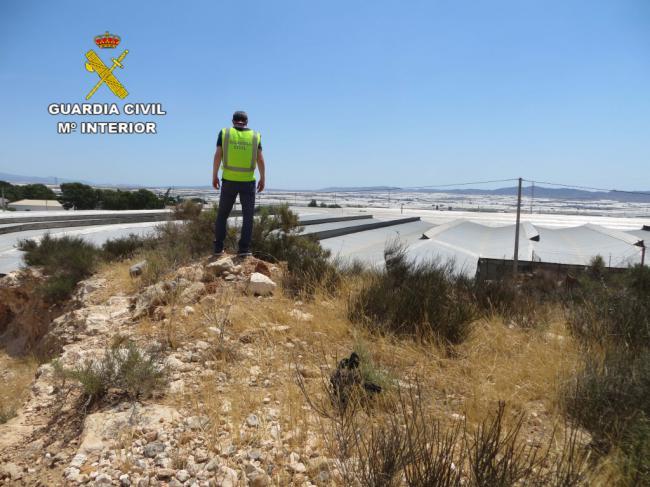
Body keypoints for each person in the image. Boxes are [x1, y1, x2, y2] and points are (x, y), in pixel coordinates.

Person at [212, 111, 266, 257]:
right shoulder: (255, 136)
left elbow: (218, 155)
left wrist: (214, 175)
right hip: (248, 182)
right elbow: (260, 159)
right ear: (246, 121)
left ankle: (218, 248)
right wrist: (263, 178)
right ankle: (244, 250)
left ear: (233, 121)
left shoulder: (225, 133)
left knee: (222, 215)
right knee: (248, 216)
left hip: (228, 180)